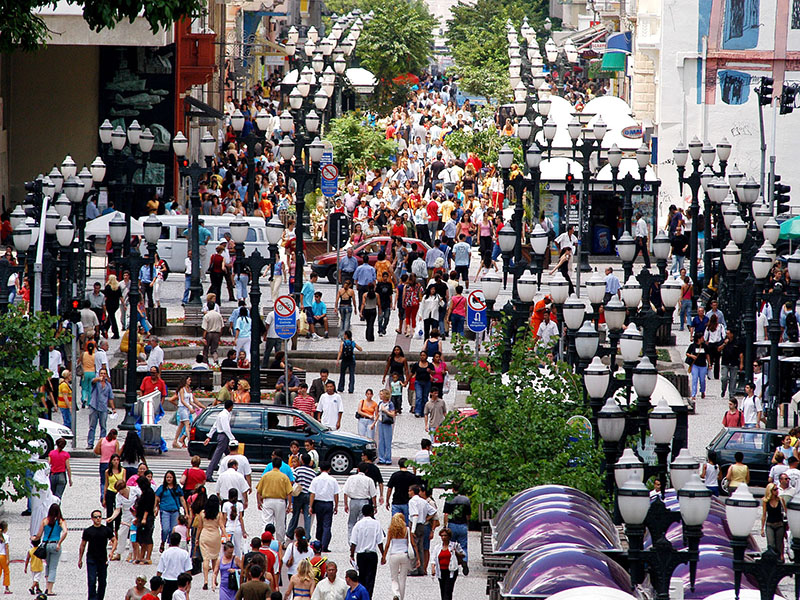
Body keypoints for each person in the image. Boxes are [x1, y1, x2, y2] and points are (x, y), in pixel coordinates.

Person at [78, 509, 116, 600]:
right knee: (91, 580)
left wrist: (112, 552)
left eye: (99, 517)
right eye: (96, 517)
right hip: (91, 558)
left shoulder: (106, 530)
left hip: (103, 558)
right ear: (92, 518)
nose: (98, 519)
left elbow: (114, 540)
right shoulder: (88, 531)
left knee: (102, 581)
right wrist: (80, 559)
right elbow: (83, 545)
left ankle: (100, 598)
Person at [349, 504, 384, 599]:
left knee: (362, 577)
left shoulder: (358, 525)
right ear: (372, 512)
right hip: (372, 555)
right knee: (371, 578)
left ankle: (361, 596)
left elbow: (353, 542)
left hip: (361, 555)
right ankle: (368, 597)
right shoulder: (376, 524)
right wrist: (383, 555)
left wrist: (351, 555)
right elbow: (380, 541)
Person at [382, 513, 418, 600]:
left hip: (394, 555)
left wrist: (384, 556)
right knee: (403, 578)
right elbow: (413, 544)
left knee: (394, 578)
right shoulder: (407, 530)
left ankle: (396, 594)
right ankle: (401, 598)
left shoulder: (391, 530)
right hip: (404, 555)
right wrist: (418, 558)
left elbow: (387, 545)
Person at [256, 458, 293, 543]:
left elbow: (258, 491)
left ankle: (265, 539)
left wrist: (258, 502)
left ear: (272, 464)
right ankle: (280, 541)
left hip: (267, 500)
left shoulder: (266, 476)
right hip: (280, 501)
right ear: (280, 465)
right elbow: (289, 492)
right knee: (280, 523)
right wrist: (289, 505)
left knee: (266, 521)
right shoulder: (284, 477)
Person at [310, 462, 340, 552]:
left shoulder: (316, 479)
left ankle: (318, 542)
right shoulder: (333, 480)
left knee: (319, 522)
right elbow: (336, 494)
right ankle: (324, 545)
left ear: (320, 469)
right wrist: (336, 505)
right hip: (328, 503)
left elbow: (312, 493)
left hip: (318, 503)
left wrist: (310, 506)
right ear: (329, 469)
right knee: (327, 525)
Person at [204, 400, 237, 482]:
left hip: (221, 436)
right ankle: (208, 474)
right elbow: (226, 428)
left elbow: (214, 426)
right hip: (223, 436)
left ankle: (235, 470)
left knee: (229, 454)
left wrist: (209, 436)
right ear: (230, 407)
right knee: (217, 456)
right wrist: (232, 438)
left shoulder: (221, 414)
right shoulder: (225, 415)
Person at [156, 471, 188, 553]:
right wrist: (156, 508)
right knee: (165, 529)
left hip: (175, 511)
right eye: (167, 477)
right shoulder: (162, 488)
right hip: (165, 510)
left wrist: (186, 511)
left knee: (173, 530)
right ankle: (163, 541)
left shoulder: (177, 488)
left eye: (170, 477)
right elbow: (156, 498)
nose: (169, 479)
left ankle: (171, 544)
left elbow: (182, 500)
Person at [429, 528, 465, 600]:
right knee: (442, 589)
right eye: (442, 536)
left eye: (445, 535)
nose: (443, 537)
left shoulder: (454, 545)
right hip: (441, 571)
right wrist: (433, 569)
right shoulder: (437, 547)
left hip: (451, 570)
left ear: (449, 536)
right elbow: (433, 558)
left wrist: (455, 552)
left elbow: (463, 555)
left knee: (448, 590)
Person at [287, 453, 316, 541]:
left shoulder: (298, 470)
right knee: (307, 516)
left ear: (302, 461)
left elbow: (293, 480)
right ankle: (307, 536)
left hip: (299, 495)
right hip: (308, 495)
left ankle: (290, 533)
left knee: (295, 515)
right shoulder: (313, 473)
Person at [762, 482, 787, 560]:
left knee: (779, 545)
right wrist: (762, 528)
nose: (777, 491)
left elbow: (786, 512)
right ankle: (771, 560)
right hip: (770, 524)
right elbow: (764, 515)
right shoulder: (766, 501)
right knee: (771, 545)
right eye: (775, 489)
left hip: (779, 524)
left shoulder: (780, 499)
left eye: (777, 489)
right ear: (770, 491)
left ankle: (779, 559)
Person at [134, 475, 156, 564]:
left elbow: (148, 506)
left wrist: (144, 518)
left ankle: (148, 557)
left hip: (147, 517)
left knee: (147, 536)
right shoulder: (144, 492)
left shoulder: (149, 492)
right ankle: (141, 556)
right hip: (141, 516)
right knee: (141, 537)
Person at [719, 330, 742, 400]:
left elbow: (741, 354)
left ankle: (731, 393)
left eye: (728, 333)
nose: (727, 335)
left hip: (734, 362)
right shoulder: (724, 341)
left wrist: (741, 363)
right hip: (725, 362)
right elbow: (718, 349)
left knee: (733, 379)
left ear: (732, 334)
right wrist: (724, 344)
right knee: (724, 378)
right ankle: (723, 389)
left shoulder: (737, 342)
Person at [685, 333, 708, 402]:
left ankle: (702, 391)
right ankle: (693, 394)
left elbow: (707, 355)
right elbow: (687, 353)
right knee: (694, 379)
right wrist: (692, 356)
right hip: (695, 365)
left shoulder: (705, 346)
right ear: (699, 339)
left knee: (702, 380)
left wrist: (709, 363)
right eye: (702, 337)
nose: (703, 339)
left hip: (703, 365)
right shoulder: (692, 346)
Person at [376, 389, 397, 465]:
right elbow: (377, 413)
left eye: (381, 394)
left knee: (387, 441)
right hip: (380, 422)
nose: (380, 396)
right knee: (381, 441)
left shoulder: (390, 404)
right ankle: (381, 458)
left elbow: (393, 414)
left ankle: (388, 458)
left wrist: (385, 410)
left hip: (387, 423)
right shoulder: (380, 403)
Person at [412, 351, 434, 418]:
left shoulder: (430, 365)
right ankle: (417, 411)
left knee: (425, 397)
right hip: (418, 382)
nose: (422, 357)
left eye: (424, 355)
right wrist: (407, 380)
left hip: (427, 382)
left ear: (426, 356)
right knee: (419, 397)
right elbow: (412, 372)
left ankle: (424, 411)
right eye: (421, 355)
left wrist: (430, 371)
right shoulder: (416, 364)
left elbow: (434, 372)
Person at [704, 314, 725, 379]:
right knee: (717, 361)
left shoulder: (708, 327)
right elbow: (723, 335)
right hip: (717, 344)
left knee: (710, 361)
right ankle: (716, 376)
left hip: (710, 345)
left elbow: (705, 337)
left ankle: (709, 375)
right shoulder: (720, 326)